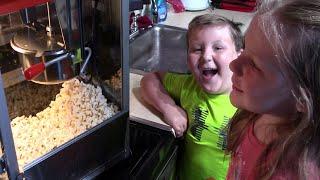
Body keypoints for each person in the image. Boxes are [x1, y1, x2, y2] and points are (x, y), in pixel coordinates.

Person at [140, 14, 243, 180]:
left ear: (239, 56)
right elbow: (149, 79)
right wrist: (168, 107)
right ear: (187, 58)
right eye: (197, 49)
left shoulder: (248, 103)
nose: (206, 56)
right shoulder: (189, 87)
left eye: (218, 48)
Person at [226, 0, 320, 179]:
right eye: (244, 48)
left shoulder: (290, 171)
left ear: (302, 97)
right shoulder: (256, 114)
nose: (233, 64)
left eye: (254, 64)